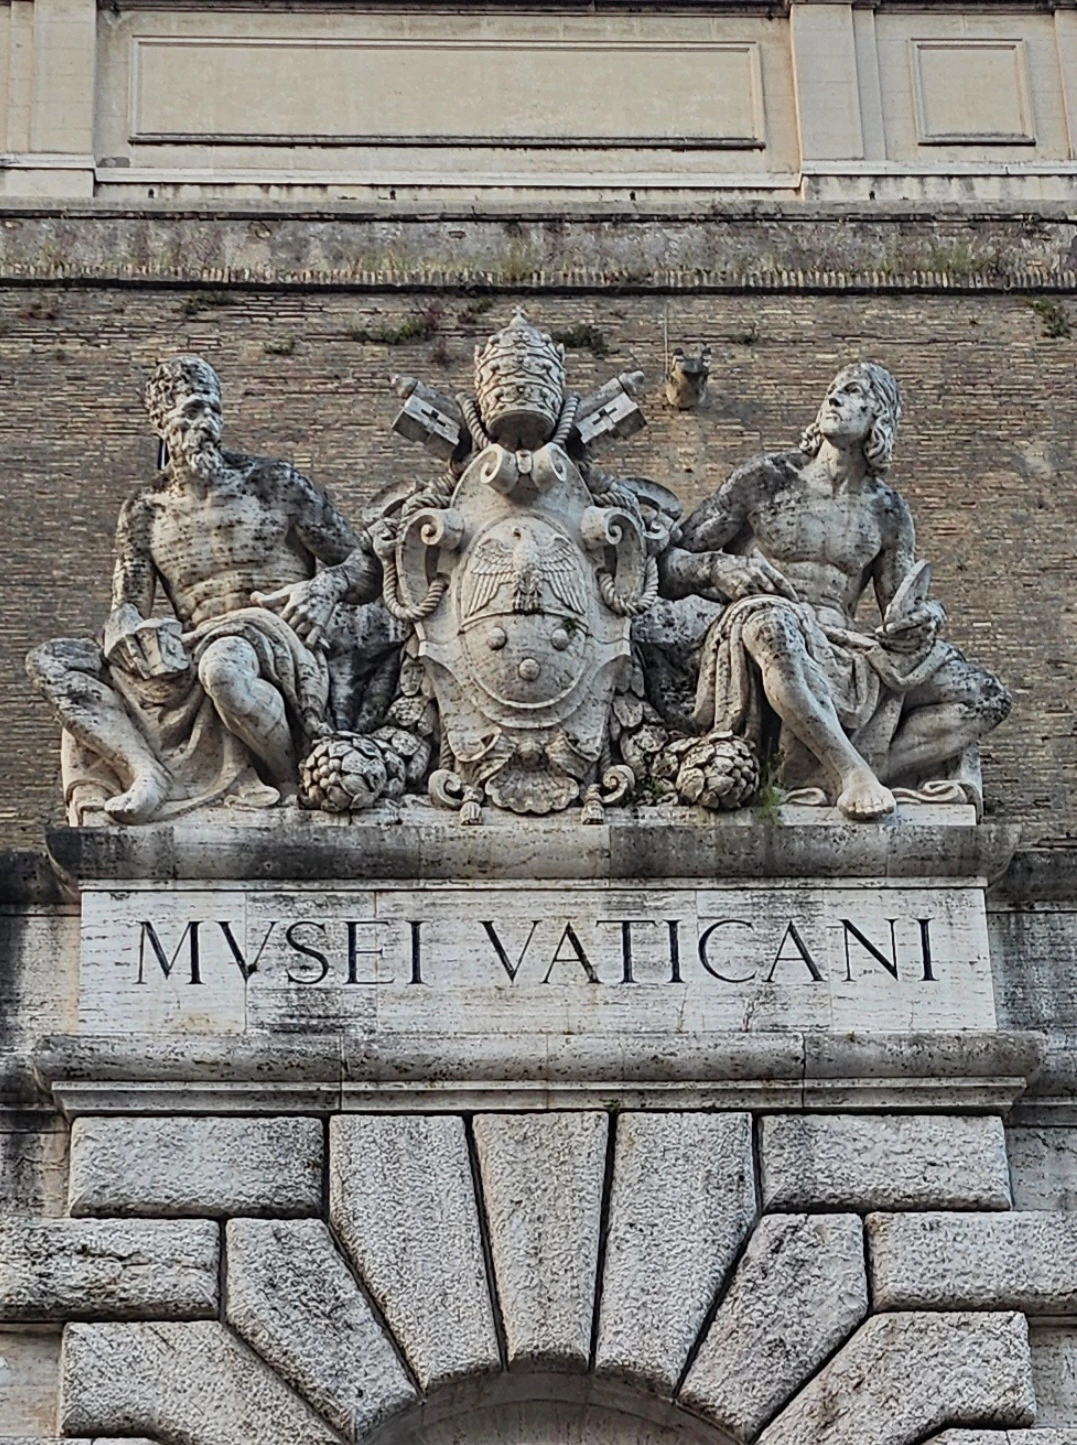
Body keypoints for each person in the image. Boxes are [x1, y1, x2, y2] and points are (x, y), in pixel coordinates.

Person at [27, 356, 379, 824]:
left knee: (222, 667)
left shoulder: (274, 484)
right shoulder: (144, 511)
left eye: (214, 411)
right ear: (161, 422)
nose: (207, 425)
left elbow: (368, 567)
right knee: (52, 662)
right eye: (192, 412)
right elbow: (126, 607)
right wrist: (128, 633)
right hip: (191, 648)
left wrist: (327, 587)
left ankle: (289, 780)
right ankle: (144, 770)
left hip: (278, 642)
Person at [658, 361, 1011, 819]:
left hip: (841, 642)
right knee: (772, 625)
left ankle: (847, 772)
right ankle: (850, 773)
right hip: (763, 621)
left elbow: (900, 608)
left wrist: (927, 619)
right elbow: (665, 565)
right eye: (832, 390)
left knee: (985, 696)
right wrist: (716, 566)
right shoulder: (767, 479)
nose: (833, 398)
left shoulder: (888, 512)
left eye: (853, 391)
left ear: (879, 419)